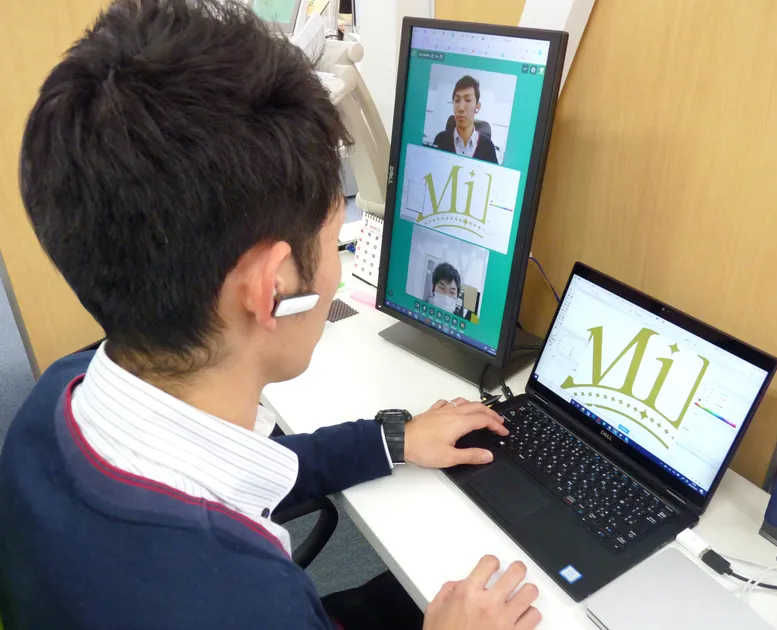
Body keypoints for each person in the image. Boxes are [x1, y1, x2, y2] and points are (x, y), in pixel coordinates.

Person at [0, 1, 541, 630]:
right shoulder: (243, 600)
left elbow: (245, 467)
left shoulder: (57, 397)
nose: (336, 267)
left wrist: (391, 439)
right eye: (335, 241)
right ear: (273, 287)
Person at [432, 75, 498, 164]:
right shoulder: (440, 140)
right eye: (457, 100)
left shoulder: (488, 147)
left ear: (477, 107)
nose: (461, 108)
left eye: (468, 100)